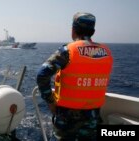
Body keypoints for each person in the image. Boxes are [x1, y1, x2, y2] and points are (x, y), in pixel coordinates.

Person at [36, 12, 113, 141]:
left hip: (67, 119)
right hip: (93, 118)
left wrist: (50, 101)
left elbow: (41, 75)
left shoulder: (68, 51)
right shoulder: (107, 52)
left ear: (73, 30)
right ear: (93, 31)